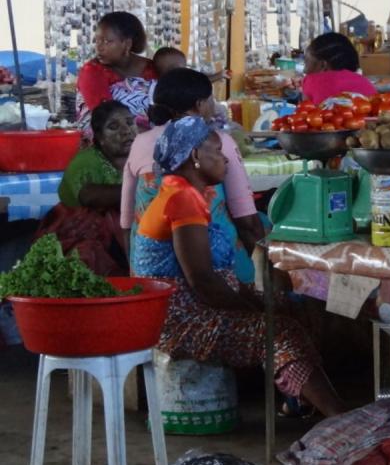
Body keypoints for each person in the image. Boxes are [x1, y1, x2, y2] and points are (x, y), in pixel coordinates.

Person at [136, 116, 345, 417]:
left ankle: (300, 400)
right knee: (279, 329)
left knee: (293, 305)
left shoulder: (184, 191)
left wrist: (262, 304)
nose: (225, 159)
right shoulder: (181, 198)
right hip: (181, 319)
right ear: (195, 156)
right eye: (217, 151)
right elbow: (203, 281)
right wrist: (258, 311)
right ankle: (338, 417)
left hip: (198, 305)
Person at [121, 68, 263, 273]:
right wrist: (268, 277)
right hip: (212, 270)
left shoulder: (141, 142)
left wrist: (136, 275)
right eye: (210, 99)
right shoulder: (216, 142)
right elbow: (246, 220)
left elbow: (127, 222)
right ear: (200, 104)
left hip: (151, 274)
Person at [36, 102, 136, 276]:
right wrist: (143, 189)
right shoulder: (86, 161)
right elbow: (89, 197)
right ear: (100, 137)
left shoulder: (141, 155)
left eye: (129, 122)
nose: (126, 130)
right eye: (113, 127)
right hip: (77, 232)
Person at [76, 12, 157, 136]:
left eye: (107, 41)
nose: (99, 47)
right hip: (108, 142)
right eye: (97, 41)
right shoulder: (91, 71)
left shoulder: (152, 69)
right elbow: (105, 114)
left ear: (127, 44)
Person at [301, 32, 377, 104]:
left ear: (323, 65)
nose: (304, 71)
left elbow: (304, 111)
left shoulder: (311, 81)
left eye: (306, 62)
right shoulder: (365, 83)